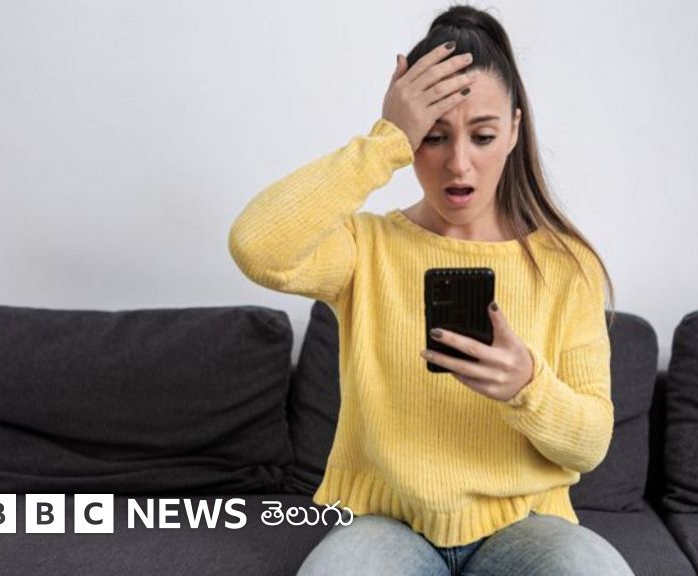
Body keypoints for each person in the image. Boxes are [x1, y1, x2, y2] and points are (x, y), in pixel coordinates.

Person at [228, 5, 631, 575]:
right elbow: (256, 245)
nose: (459, 164)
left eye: (483, 135)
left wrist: (528, 386)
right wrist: (385, 140)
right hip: (387, 527)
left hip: (525, 527)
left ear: (514, 130)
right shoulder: (365, 248)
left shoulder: (567, 266)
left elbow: (589, 445)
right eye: (433, 137)